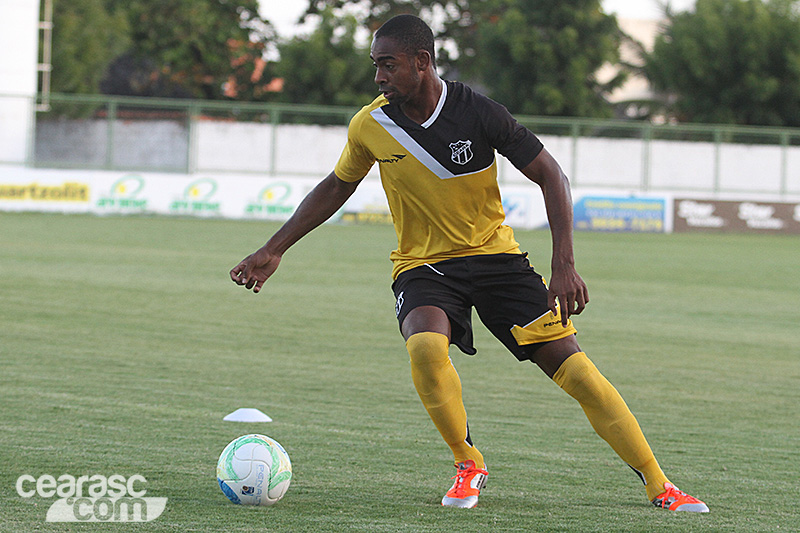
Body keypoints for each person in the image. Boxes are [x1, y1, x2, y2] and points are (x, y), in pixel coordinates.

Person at [230, 14, 708, 512]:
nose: (379, 77)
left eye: (388, 65)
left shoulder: (479, 112)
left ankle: (660, 483)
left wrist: (563, 264)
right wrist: (274, 248)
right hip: (424, 267)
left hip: (497, 260)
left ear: (422, 61)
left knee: (578, 373)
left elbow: (551, 174)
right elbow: (336, 186)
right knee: (425, 347)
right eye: (375, 66)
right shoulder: (369, 125)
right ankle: (468, 462)